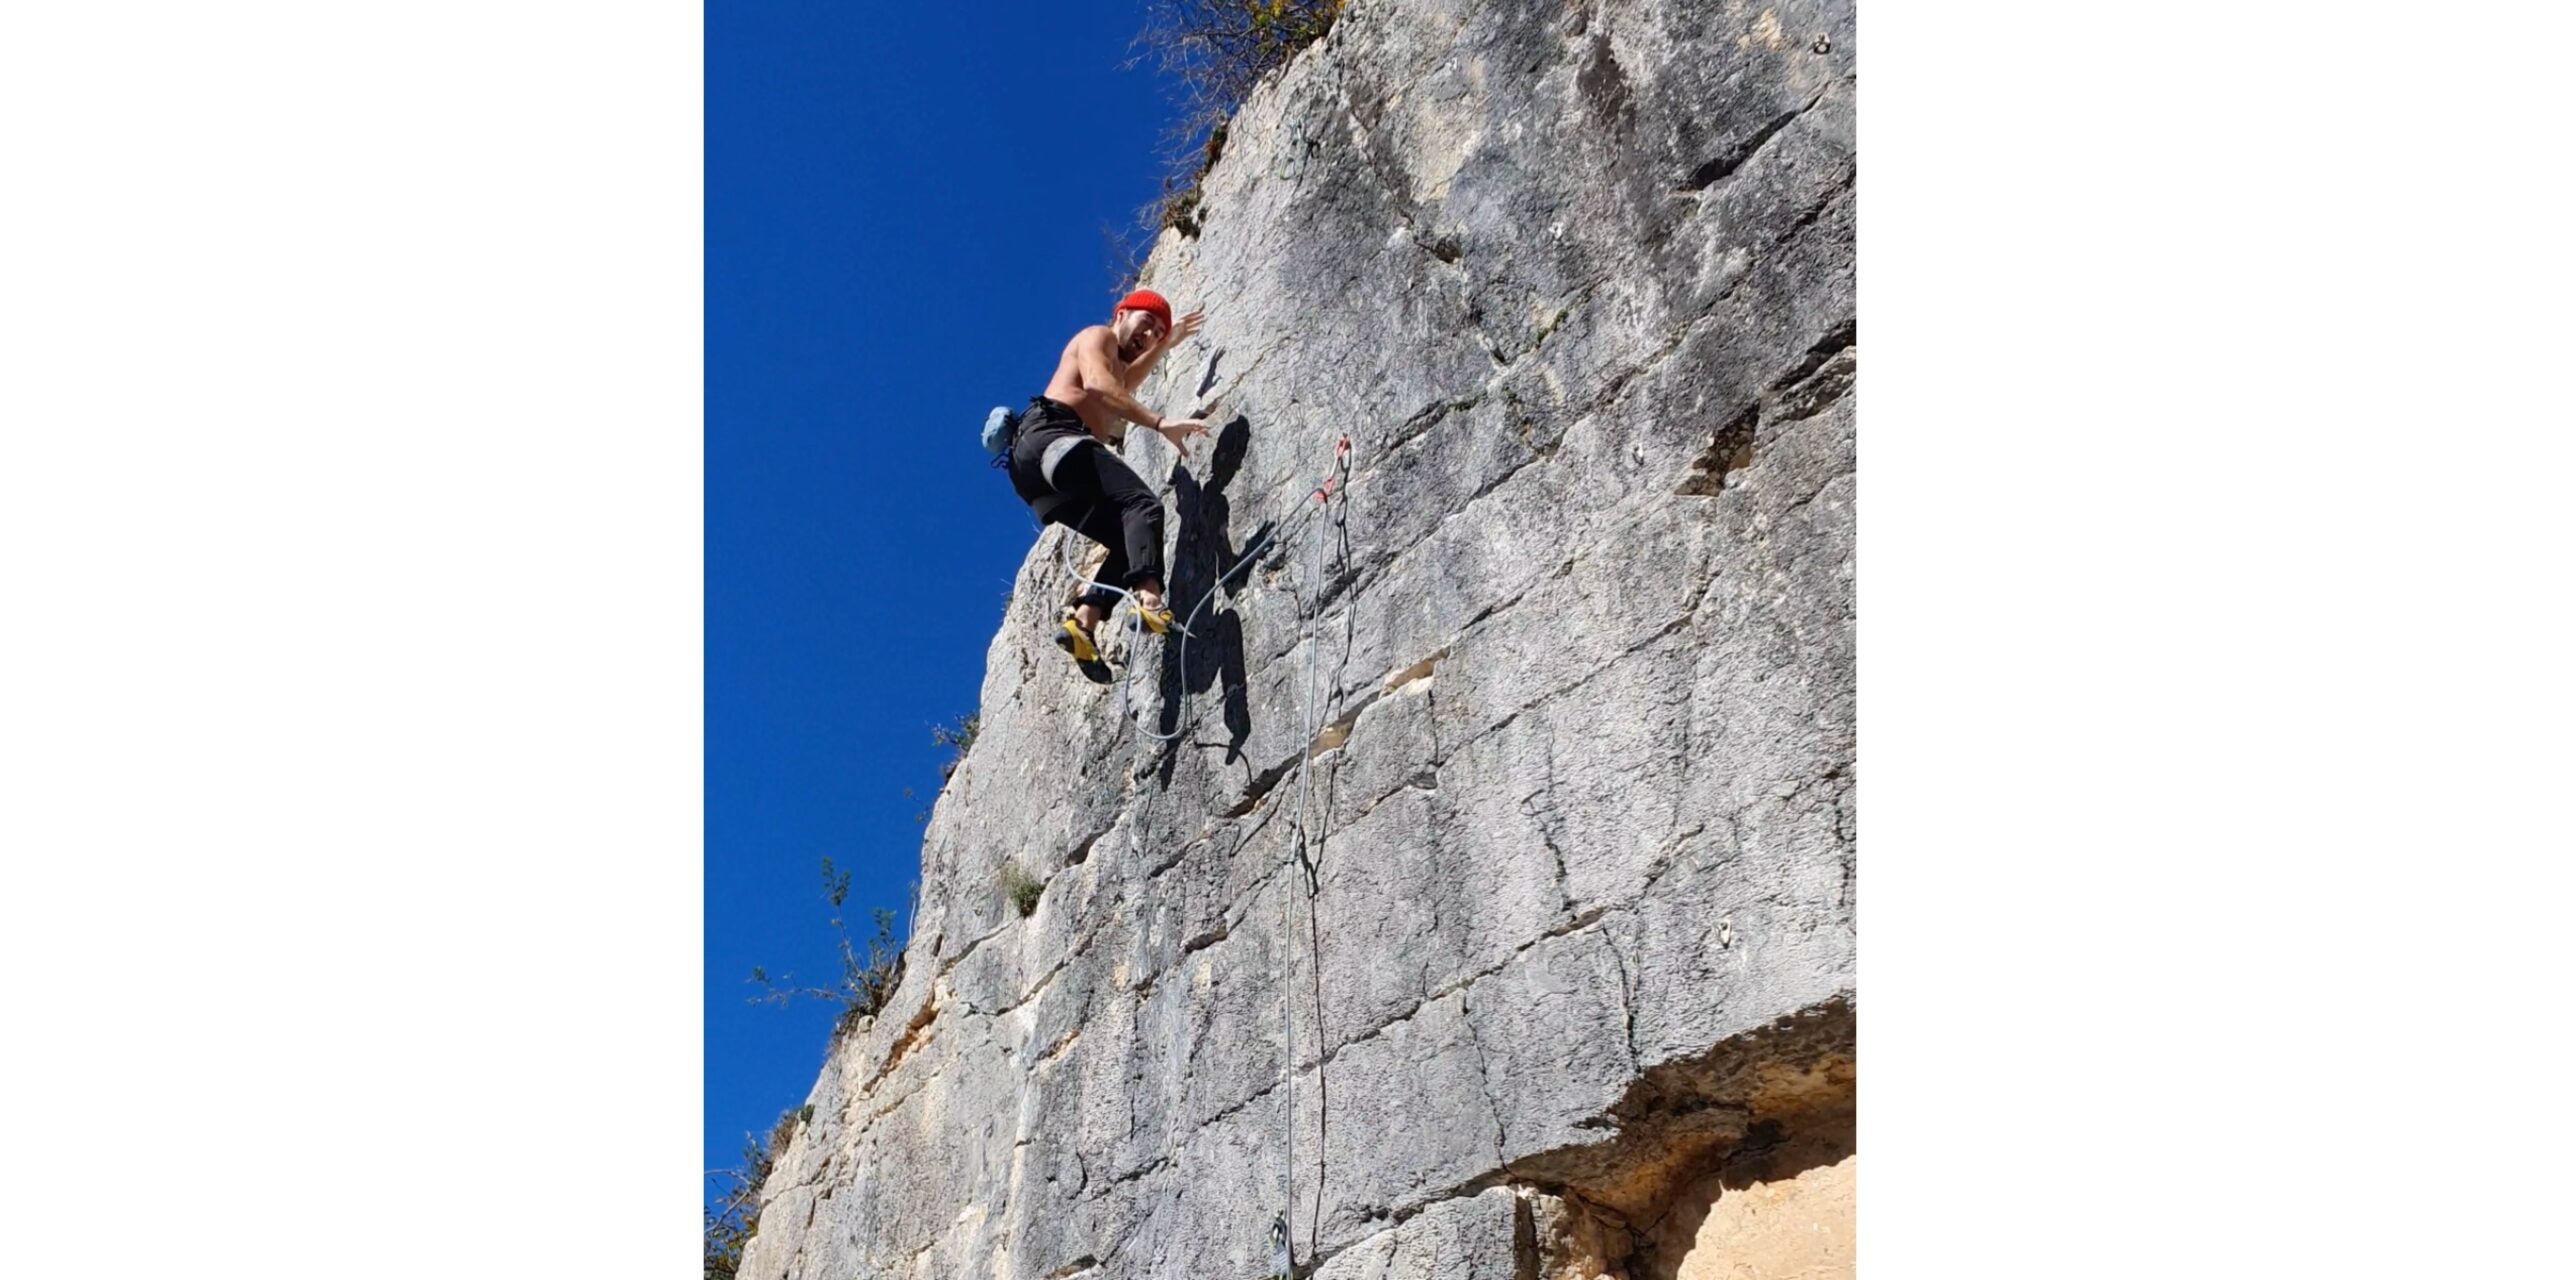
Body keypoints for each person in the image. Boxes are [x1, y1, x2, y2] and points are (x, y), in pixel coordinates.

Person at [1007, 288, 1210, 681]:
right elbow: (1103, 388)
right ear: (1120, 314)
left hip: (1037, 477)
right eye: (1146, 322)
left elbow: (1125, 382)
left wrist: (1166, 343)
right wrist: (1160, 422)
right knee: (1144, 506)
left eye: (1156, 332)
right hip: (1054, 436)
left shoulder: (1119, 365)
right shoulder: (1096, 336)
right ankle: (1150, 600)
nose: (1148, 335)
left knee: (1127, 540)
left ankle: (1083, 624)